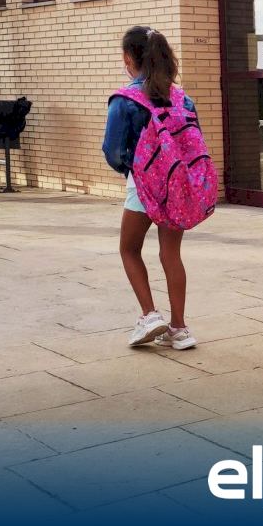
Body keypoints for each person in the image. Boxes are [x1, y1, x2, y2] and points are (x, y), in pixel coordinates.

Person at [102, 26, 198, 350]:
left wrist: (131, 170)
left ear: (129, 58)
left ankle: (149, 314)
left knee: (129, 249)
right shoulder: (182, 97)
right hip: (178, 185)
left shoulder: (124, 100)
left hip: (143, 186)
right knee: (171, 253)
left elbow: (113, 150)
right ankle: (180, 329)